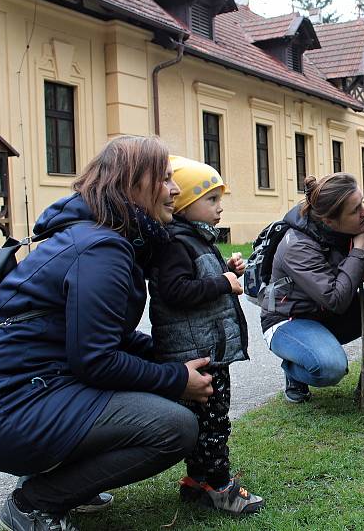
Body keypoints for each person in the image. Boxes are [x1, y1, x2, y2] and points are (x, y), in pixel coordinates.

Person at [0, 136, 213, 531]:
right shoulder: (101, 249)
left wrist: (168, 356)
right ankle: (34, 503)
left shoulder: (97, 236)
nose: (174, 190)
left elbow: (105, 337)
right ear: (130, 183)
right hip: (11, 410)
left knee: (151, 402)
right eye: (163, 179)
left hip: (26, 393)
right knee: (175, 428)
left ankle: (68, 483)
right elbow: (95, 359)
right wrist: (176, 379)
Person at [148, 156, 263, 515]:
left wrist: (225, 268)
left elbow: (196, 278)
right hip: (197, 354)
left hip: (205, 347)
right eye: (211, 199)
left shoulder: (193, 238)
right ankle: (219, 486)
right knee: (213, 421)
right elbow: (175, 290)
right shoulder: (174, 243)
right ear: (184, 205)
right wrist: (222, 283)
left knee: (205, 419)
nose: (219, 207)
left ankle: (197, 479)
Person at [260, 172, 364, 404]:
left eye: (362, 203)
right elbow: (335, 299)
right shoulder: (298, 246)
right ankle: (294, 368)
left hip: (324, 315)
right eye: (355, 210)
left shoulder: (341, 232)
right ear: (329, 221)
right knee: (331, 368)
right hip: (287, 321)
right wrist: (358, 252)